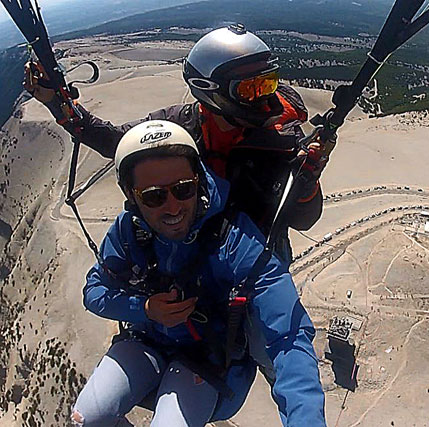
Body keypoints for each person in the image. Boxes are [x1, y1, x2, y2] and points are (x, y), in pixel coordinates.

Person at [70, 120, 326, 426]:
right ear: (131, 194)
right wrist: (147, 309)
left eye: (183, 190)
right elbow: (95, 291)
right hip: (146, 341)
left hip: (207, 360)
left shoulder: (234, 239)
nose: (173, 207)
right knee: (86, 418)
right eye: (154, 196)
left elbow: (289, 334)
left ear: (198, 182)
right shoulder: (128, 232)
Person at [24, 23, 328, 263]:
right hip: (191, 252)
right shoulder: (175, 127)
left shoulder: (282, 139)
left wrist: (307, 182)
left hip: (257, 262)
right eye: (250, 89)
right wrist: (57, 104)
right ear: (210, 90)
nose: (264, 99)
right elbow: (118, 142)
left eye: (268, 83)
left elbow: (304, 220)